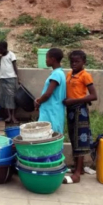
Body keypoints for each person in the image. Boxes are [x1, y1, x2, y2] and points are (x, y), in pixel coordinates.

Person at [63, 50, 97, 184]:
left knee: (80, 141)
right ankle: (79, 167)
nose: (74, 64)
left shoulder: (85, 75)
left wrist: (75, 100)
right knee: (73, 138)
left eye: (77, 61)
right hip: (71, 110)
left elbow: (94, 96)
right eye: (72, 61)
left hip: (79, 111)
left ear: (84, 62)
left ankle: (77, 174)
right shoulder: (69, 74)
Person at [35, 48, 66, 133]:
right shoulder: (60, 73)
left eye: (47, 57)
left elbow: (48, 94)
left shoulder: (56, 74)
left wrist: (38, 102)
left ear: (53, 59)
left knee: (49, 135)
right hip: (54, 110)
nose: (46, 60)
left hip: (51, 111)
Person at [0, 41, 19, 123]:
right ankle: (9, 116)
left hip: (11, 78)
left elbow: (15, 67)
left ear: (5, 48)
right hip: (2, 78)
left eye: (1, 49)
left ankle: (13, 116)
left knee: (12, 98)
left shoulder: (11, 55)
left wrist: (18, 78)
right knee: (5, 98)